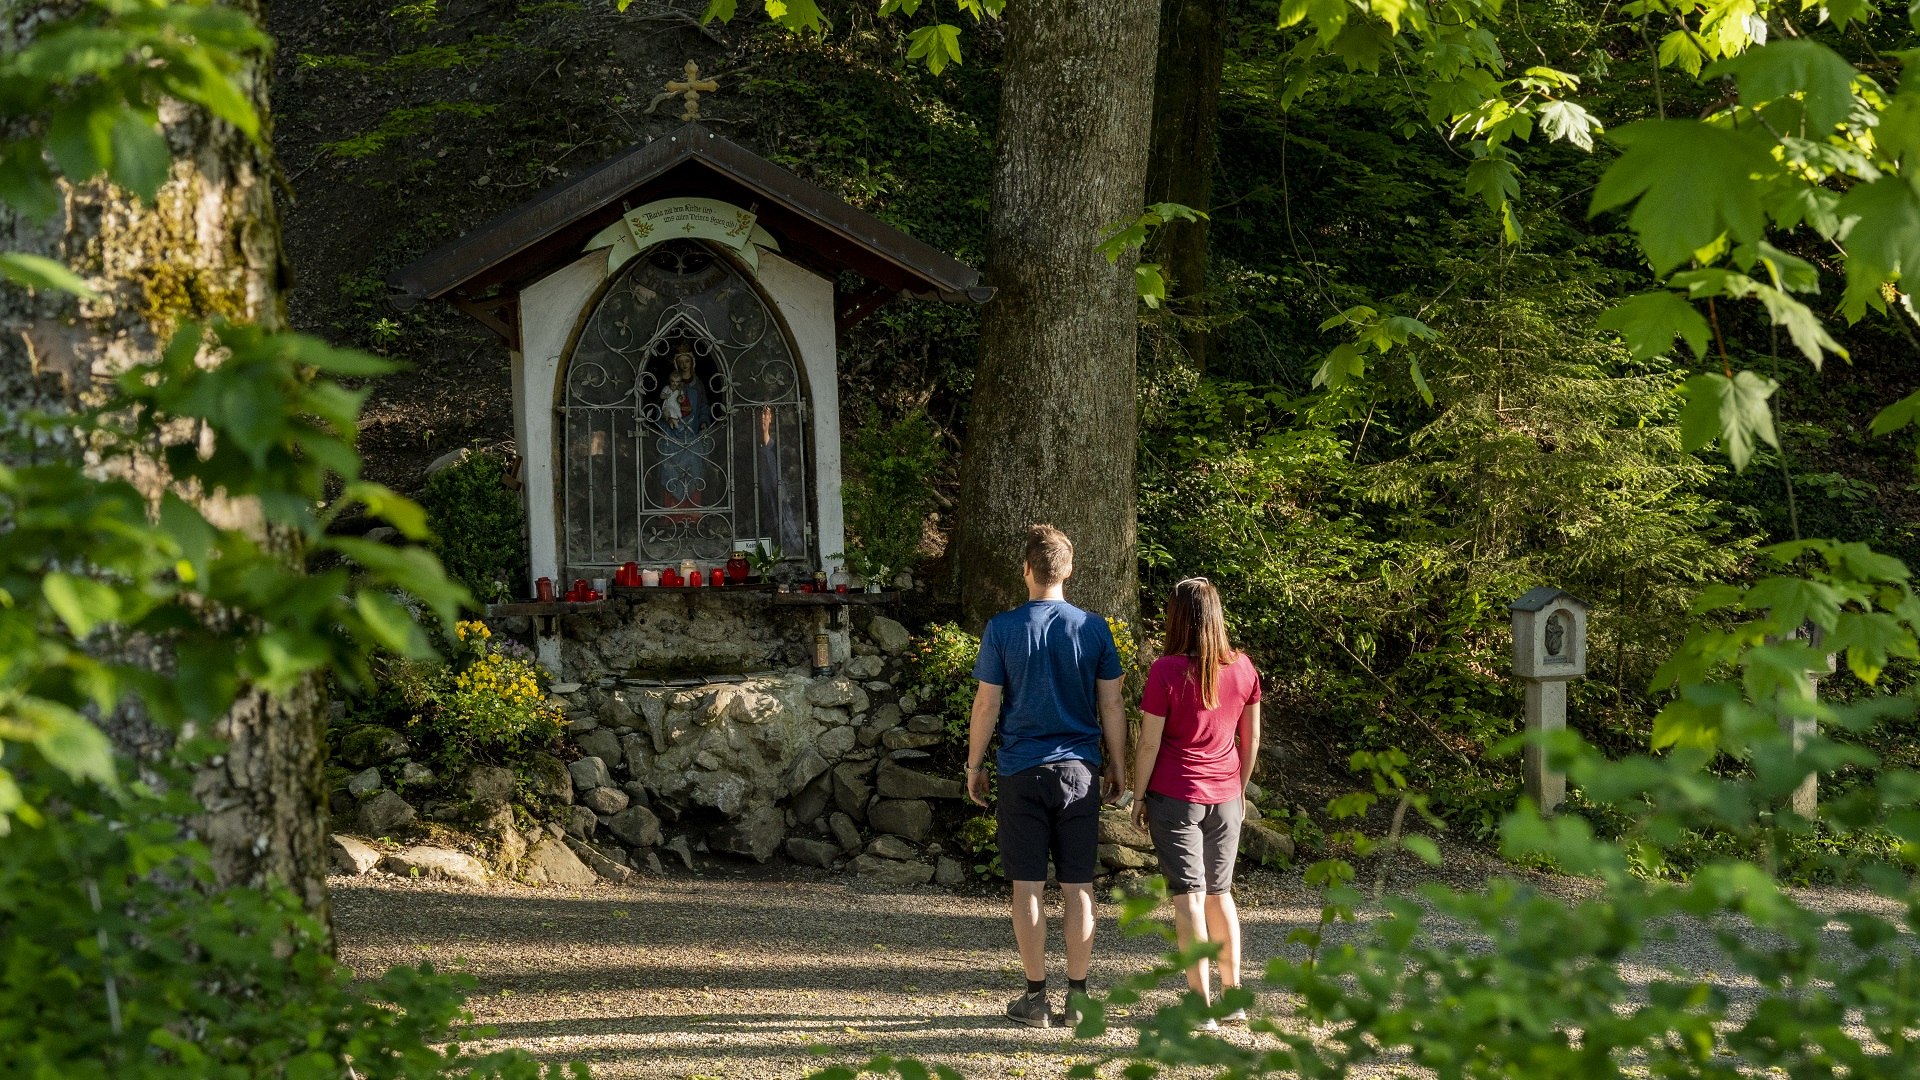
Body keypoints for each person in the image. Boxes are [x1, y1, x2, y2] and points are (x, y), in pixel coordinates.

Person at [966, 524, 1126, 1029]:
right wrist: (1118, 766)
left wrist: (974, 764)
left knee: (1027, 887)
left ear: (1027, 570)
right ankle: (1078, 997)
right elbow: (1113, 703)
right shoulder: (1094, 628)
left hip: (1020, 769)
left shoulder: (1002, 628)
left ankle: (1035, 998)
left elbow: (988, 703)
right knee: (1079, 886)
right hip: (1079, 771)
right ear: (1069, 570)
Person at [1130, 576, 1262, 1029]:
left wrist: (1139, 795)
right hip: (1226, 794)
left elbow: (1148, 744)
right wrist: (1239, 790)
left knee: (1188, 896)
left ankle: (1199, 1006)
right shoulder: (1244, 668)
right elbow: (1252, 739)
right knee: (1220, 895)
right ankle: (1233, 997)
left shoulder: (1165, 670)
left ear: (1177, 617)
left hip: (1174, 794)